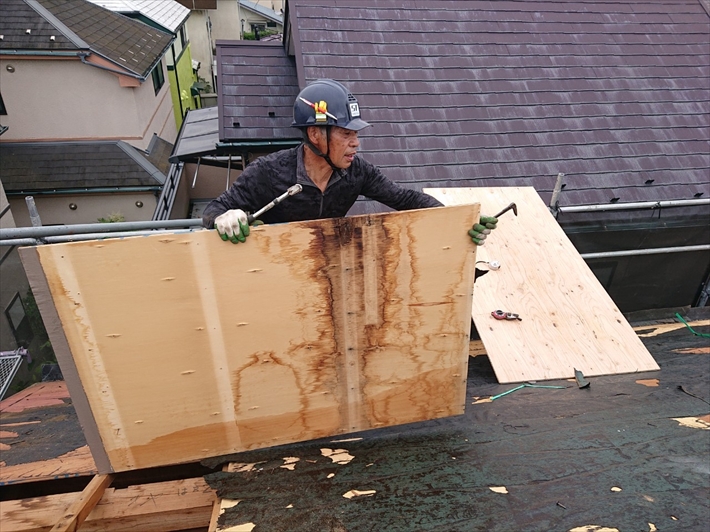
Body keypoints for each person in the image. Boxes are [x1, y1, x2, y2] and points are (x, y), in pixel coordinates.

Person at [202, 79, 497, 244]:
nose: (356, 142)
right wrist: (224, 218)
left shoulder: (356, 173)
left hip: (326, 264)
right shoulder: (268, 172)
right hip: (277, 269)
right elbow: (214, 209)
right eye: (346, 133)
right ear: (316, 134)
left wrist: (462, 220)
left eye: (356, 133)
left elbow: (406, 199)